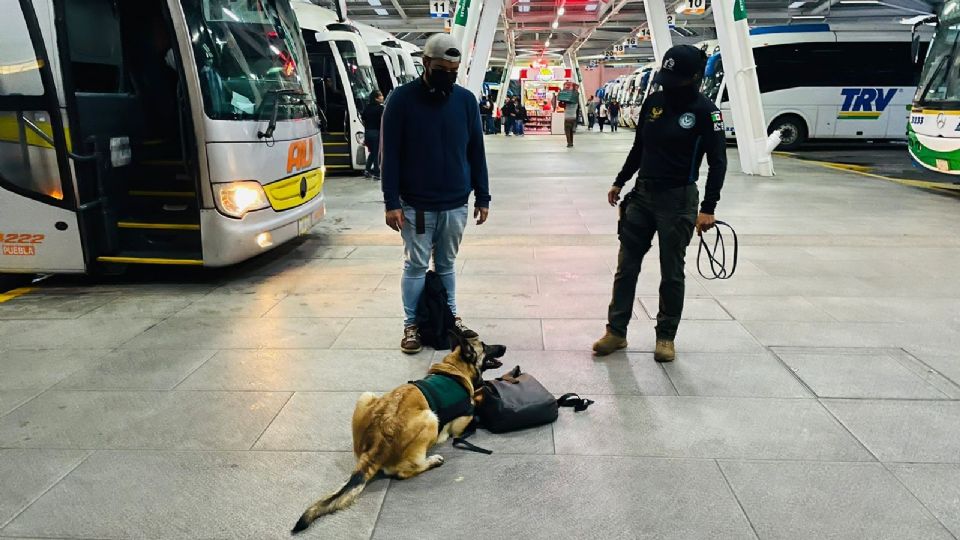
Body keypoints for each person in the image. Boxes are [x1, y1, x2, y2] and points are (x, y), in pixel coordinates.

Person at [593, 44, 727, 363]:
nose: (668, 84)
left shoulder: (707, 112)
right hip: (642, 196)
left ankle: (666, 336)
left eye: (675, 79)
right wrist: (620, 180)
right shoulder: (653, 101)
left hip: (679, 199)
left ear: (694, 77)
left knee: (671, 272)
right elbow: (640, 147)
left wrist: (708, 207)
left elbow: (718, 162)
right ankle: (616, 331)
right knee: (626, 267)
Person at [380, 33, 491, 354]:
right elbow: (391, 155)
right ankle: (411, 324)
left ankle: (450, 316)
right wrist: (391, 202)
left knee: (446, 265)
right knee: (415, 265)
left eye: (454, 71)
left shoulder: (465, 100)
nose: (449, 76)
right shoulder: (401, 99)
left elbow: (476, 152)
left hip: (456, 202)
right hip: (417, 206)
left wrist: (482, 196)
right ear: (426, 63)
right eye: (442, 69)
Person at [361, 90, 385, 179]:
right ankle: (377, 173)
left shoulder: (367, 107)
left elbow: (363, 120)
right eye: (381, 96)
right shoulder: (380, 108)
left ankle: (367, 170)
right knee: (377, 154)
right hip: (376, 133)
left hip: (367, 133)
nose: (382, 97)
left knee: (373, 152)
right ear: (376, 98)